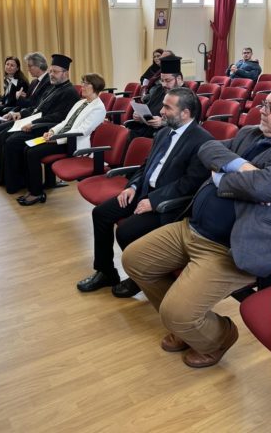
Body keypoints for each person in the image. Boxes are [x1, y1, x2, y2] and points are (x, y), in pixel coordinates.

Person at [122, 82, 271, 368]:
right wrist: (242, 167)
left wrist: (221, 175)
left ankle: (218, 338)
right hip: (193, 228)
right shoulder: (249, 133)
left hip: (234, 246)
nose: (262, 111)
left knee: (176, 313)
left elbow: (260, 187)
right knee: (134, 260)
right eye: (263, 104)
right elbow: (207, 148)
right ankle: (185, 324)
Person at [76, 86, 213, 298]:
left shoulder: (202, 141)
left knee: (125, 231)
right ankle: (106, 272)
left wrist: (154, 202)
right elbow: (145, 165)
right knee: (101, 214)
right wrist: (132, 186)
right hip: (143, 191)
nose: (161, 111)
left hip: (169, 203)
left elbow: (190, 183)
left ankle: (139, 276)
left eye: (167, 107)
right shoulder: (164, 132)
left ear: (185, 113)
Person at [0, 54, 80, 193]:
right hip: (36, 122)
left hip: (47, 129)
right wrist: (22, 114)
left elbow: (58, 117)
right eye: (50, 71)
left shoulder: (70, 92)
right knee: (3, 135)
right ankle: (5, 179)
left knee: (12, 141)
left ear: (65, 73)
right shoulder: (52, 87)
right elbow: (37, 107)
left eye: (55, 72)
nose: (51, 74)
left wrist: (33, 123)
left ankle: (16, 183)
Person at [16, 73, 107, 206]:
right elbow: (66, 122)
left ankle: (37, 193)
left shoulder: (98, 108)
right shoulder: (81, 102)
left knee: (32, 153)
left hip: (72, 144)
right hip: (61, 138)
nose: (82, 86)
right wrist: (52, 131)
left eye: (86, 83)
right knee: (27, 149)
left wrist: (57, 139)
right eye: (82, 82)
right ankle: (32, 189)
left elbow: (82, 131)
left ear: (95, 87)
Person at [0, 52, 50, 165]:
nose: (28, 69)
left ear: (38, 66)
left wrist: (17, 102)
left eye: (30, 66)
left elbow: (33, 105)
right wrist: (11, 110)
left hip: (28, 118)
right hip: (19, 112)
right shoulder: (34, 82)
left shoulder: (42, 82)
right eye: (7, 64)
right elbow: (25, 102)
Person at [128, 55, 184, 140]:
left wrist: (163, 122)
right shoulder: (159, 90)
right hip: (146, 130)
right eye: (162, 80)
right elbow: (148, 108)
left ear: (178, 79)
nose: (164, 84)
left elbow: (186, 122)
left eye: (168, 80)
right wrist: (140, 116)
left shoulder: (187, 97)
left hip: (165, 135)